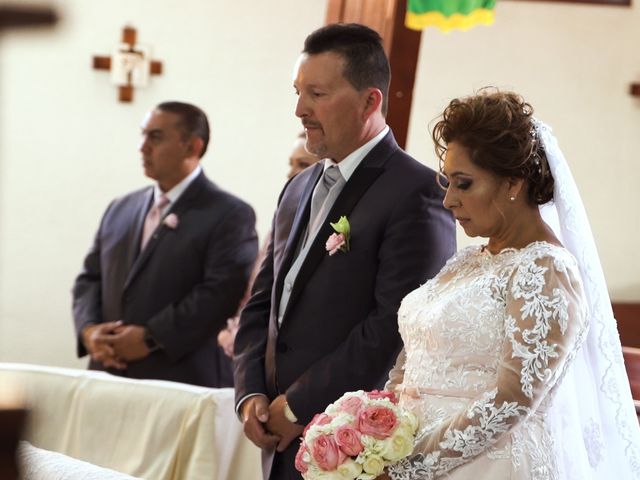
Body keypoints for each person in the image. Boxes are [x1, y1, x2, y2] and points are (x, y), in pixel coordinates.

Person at [233, 23, 456, 479]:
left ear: (370, 101)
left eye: (316, 94)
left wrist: (296, 406)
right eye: (297, 92)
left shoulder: (416, 191)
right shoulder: (297, 188)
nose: (299, 110)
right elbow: (263, 299)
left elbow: (394, 324)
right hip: (274, 430)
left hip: (348, 438)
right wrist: (251, 393)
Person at [382, 89, 640, 479]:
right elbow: (414, 356)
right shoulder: (468, 262)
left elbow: (514, 398)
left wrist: (411, 465)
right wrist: (374, 426)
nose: (449, 200)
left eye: (464, 184)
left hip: (489, 466)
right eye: (447, 183)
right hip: (410, 453)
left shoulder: (545, 269)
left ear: (512, 183)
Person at [72, 101, 258, 388]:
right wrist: (89, 332)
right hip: (107, 374)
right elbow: (89, 278)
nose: (142, 147)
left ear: (192, 147)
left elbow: (221, 293)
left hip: (180, 380)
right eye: (143, 135)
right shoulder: (119, 208)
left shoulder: (230, 214)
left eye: (155, 137)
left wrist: (151, 338)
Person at [218, 132, 320, 358]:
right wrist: (236, 328)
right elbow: (258, 286)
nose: (291, 173)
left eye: (302, 164)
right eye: (291, 164)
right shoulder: (283, 217)